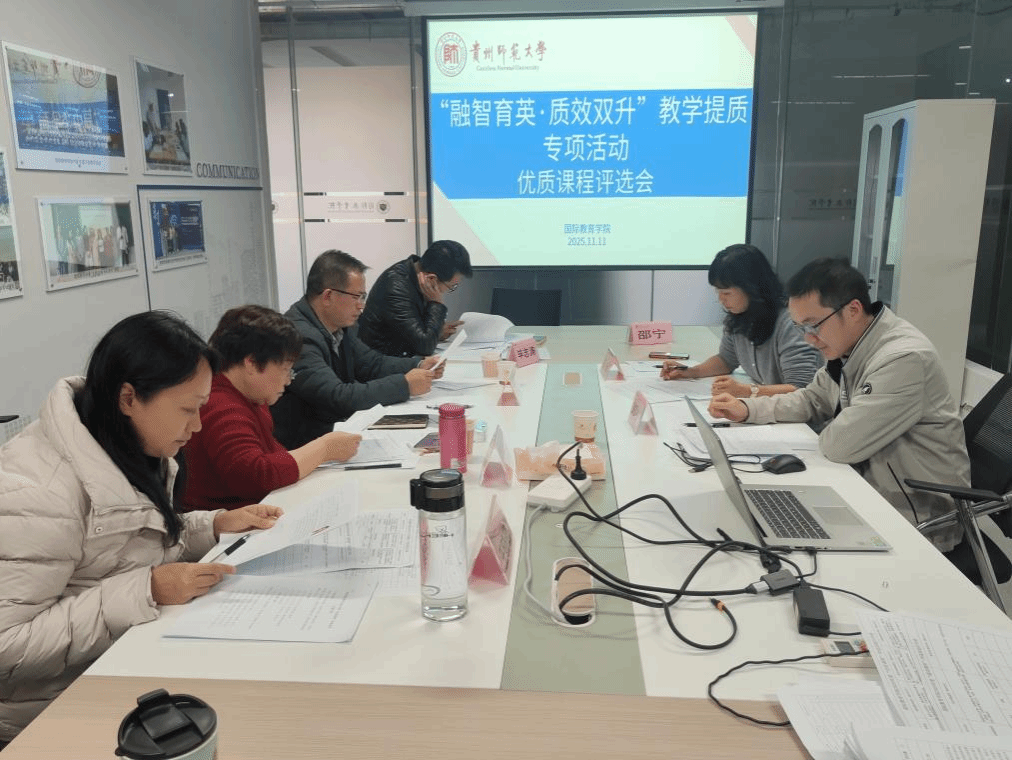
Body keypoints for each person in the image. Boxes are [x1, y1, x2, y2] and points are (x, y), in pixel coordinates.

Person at [0, 311, 282, 743]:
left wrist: (213, 525)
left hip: (121, 669)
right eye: (187, 409)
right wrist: (145, 590)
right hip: (46, 717)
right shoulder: (40, 492)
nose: (197, 426)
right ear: (129, 398)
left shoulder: (130, 445)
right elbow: (8, 646)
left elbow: (132, 542)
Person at [708, 257, 970, 553]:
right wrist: (747, 409)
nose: (809, 339)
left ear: (853, 310)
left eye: (813, 325)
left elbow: (840, 444)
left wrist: (829, 424)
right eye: (800, 327)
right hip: (867, 489)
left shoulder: (903, 359)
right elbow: (811, 398)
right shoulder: (852, 346)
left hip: (913, 519)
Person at [183, 305, 362, 511]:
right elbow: (255, 475)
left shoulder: (251, 396)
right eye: (286, 369)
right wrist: (324, 449)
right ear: (251, 363)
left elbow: (273, 456)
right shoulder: (220, 405)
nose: (288, 380)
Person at [271, 250, 443, 449]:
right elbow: (338, 397)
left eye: (363, 297)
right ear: (328, 296)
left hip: (338, 432)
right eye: (356, 297)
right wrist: (405, 385)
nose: (361, 306)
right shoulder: (297, 336)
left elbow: (371, 363)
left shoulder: (338, 325)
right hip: (309, 445)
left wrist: (418, 364)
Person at [661, 244, 822, 398]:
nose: (721, 299)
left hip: (797, 413)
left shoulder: (791, 323)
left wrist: (746, 391)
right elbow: (726, 360)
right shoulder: (739, 316)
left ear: (751, 287)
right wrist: (691, 372)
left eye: (727, 293)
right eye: (718, 292)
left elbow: (801, 389)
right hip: (768, 406)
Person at [358, 240, 472, 357]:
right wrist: (436, 303)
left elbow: (417, 332)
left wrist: (437, 331)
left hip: (399, 354)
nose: (448, 291)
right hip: (381, 361)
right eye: (452, 286)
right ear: (432, 279)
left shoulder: (414, 273)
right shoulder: (396, 288)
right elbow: (425, 347)